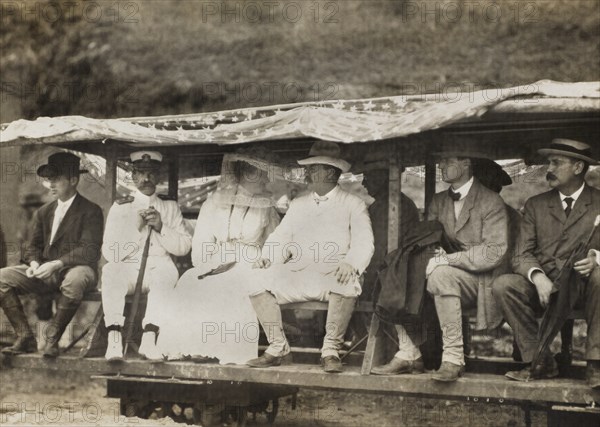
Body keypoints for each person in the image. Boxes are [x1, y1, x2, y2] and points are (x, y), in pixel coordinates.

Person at [373, 143, 509, 381]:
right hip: (441, 268)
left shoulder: (491, 202)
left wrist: (447, 259)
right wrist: (428, 257)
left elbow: (494, 251)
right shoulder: (438, 200)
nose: (441, 166)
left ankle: (454, 359)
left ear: (466, 164)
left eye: (448, 161)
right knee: (394, 268)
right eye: (441, 162)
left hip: (480, 276)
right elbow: (429, 236)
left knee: (440, 275)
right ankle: (408, 351)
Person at [246, 141, 375, 373]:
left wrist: (351, 264)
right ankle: (278, 348)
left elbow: (365, 242)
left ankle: (331, 350)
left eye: (313, 168)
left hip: (333, 274)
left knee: (347, 281)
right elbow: (281, 237)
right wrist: (268, 256)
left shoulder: (353, 204)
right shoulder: (299, 204)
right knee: (256, 280)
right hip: (299, 274)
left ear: (329, 172)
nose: (308, 173)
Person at [157, 148, 283, 364]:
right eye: (261, 172)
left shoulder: (266, 207)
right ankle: (194, 347)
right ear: (245, 174)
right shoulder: (214, 202)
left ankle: (224, 352)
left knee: (233, 285)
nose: (266, 178)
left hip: (251, 262)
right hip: (217, 259)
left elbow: (277, 242)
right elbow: (201, 243)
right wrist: (207, 265)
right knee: (190, 281)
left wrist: (266, 259)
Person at [492, 139, 600, 388]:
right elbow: (521, 254)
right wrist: (538, 277)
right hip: (545, 286)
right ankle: (540, 361)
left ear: (578, 167)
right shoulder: (535, 205)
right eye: (549, 162)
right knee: (503, 285)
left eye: (556, 163)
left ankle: (596, 363)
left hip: (585, 288)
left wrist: (596, 258)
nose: (548, 168)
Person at [0, 152, 104, 357]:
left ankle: (52, 339)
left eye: (56, 179)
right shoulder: (43, 212)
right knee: (1, 277)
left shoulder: (91, 211)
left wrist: (56, 264)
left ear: (73, 180)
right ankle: (25, 336)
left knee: (74, 280)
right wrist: (34, 263)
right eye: (49, 180)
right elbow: (32, 247)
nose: (51, 185)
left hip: (78, 270)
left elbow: (89, 249)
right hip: (45, 272)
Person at [101, 151, 192, 361]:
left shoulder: (169, 207)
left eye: (151, 173)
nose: (146, 179)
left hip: (159, 266)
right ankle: (114, 339)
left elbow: (184, 247)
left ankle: (149, 340)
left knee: (167, 274)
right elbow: (110, 253)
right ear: (133, 176)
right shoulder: (120, 207)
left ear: (158, 176)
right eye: (141, 173)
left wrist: (161, 227)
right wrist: (136, 228)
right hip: (129, 267)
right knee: (110, 271)